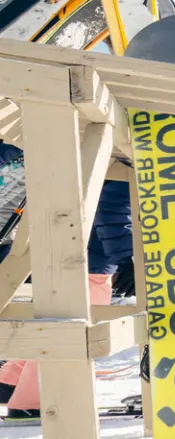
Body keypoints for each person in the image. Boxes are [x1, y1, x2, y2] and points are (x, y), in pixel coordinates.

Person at [0, 165, 132, 419]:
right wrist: (127, 257)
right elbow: (114, 207)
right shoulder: (134, 159)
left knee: (54, 316)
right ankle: (36, 398)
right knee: (69, 326)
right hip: (86, 259)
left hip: (76, 252)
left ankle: (13, 380)